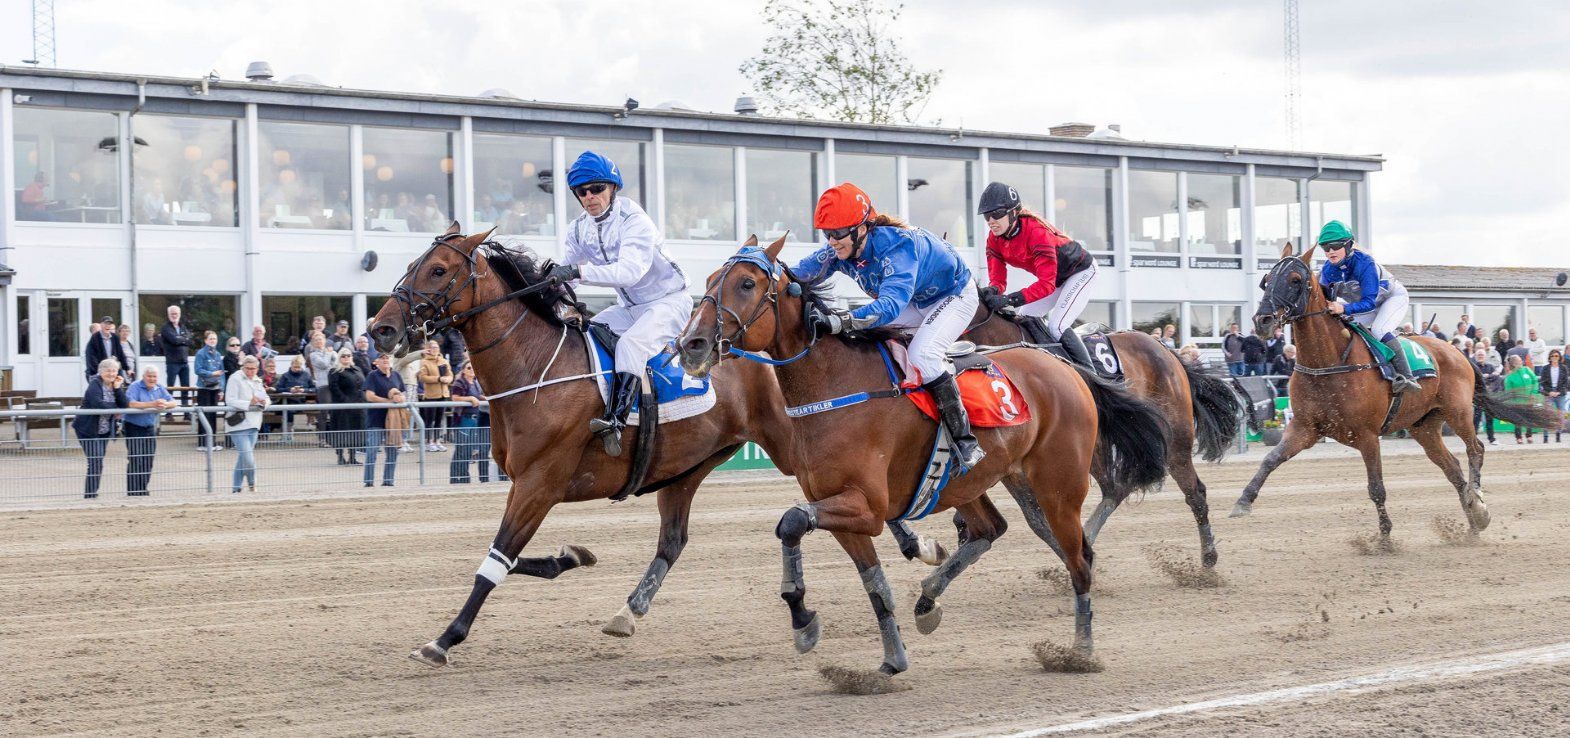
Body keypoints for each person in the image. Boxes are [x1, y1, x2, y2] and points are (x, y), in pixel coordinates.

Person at [790, 182, 984, 471]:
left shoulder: (898, 248)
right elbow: (796, 274)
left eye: (837, 233)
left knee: (923, 356)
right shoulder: (840, 249)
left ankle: (966, 441)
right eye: (827, 234)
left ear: (861, 229)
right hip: (916, 299)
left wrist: (841, 319)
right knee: (863, 336)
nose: (831, 241)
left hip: (954, 296)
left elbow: (890, 306)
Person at [541, 150, 690, 457]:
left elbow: (629, 272)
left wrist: (577, 272)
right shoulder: (578, 228)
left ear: (612, 188)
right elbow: (567, 276)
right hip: (630, 308)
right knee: (587, 334)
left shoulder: (635, 220)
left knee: (631, 345)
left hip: (668, 301)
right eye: (582, 192)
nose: (589, 196)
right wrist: (548, 288)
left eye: (596, 188)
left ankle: (616, 420)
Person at [972, 181, 1098, 367]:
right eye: (986, 216)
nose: (991, 221)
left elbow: (1046, 284)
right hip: (1055, 280)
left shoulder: (1036, 232)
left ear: (1013, 212)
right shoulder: (993, 240)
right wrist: (993, 290)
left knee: (1057, 326)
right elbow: (998, 280)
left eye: (996, 214)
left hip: (1081, 273)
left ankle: (1091, 377)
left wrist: (1010, 300)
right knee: (1025, 320)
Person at [1316, 220, 1419, 393]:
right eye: (1326, 248)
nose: (1331, 251)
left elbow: (1370, 302)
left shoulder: (1365, 263)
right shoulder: (1327, 271)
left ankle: (1407, 377)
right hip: (1367, 304)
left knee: (1379, 330)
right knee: (1342, 326)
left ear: (1348, 245)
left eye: (1335, 246)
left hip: (1391, 298)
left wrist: (1344, 308)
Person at [72, 359, 128, 499]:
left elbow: (124, 404)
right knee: (95, 461)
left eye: (114, 370)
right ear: (101, 371)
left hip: (103, 430)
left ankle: (92, 493)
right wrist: (115, 409)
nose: (111, 373)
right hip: (87, 430)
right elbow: (98, 403)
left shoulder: (115, 385)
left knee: (98, 462)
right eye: (108, 370)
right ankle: (90, 495)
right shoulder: (95, 384)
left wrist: (117, 388)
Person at [124, 365, 177, 496]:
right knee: (136, 459)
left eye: (154, 376)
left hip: (149, 427)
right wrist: (152, 404)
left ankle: (143, 489)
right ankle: (133, 492)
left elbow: (173, 402)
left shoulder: (159, 387)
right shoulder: (135, 386)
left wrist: (165, 404)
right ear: (143, 376)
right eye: (149, 376)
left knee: (148, 460)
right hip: (133, 426)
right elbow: (131, 403)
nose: (152, 379)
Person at [225, 355, 271, 493]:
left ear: (257, 368)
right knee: (248, 458)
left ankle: (236, 488)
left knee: (243, 457)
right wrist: (248, 403)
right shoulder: (235, 378)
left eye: (253, 369)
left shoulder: (257, 380)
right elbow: (230, 400)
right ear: (242, 367)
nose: (250, 371)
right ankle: (252, 483)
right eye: (248, 368)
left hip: (254, 423)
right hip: (239, 424)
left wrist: (265, 403)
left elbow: (266, 398)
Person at [363, 353, 406, 487]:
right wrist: (388, 401)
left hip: (394, 421)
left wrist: (400, 399)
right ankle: (369, 481)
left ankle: (388, 481)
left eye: (387, 358)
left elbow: (404, 394)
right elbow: (369, 396)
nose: (385, 360)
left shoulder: (397, 375)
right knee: (372, 451)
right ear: (377, 361)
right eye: (382, 358)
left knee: (393, 451)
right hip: (376, 419)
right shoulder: (372, 376)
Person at [449, 362, 488, 483]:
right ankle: (456, 478)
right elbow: (455, 398)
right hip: (463, 419)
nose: (471, 370)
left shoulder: (475, 383)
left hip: (473, 419)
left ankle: (464, 478)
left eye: (473, 367)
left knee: (468, 450)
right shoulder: (460, 382)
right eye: (469, 368)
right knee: (461, 449)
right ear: (464, 370)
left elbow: (478, 396)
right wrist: (470, 399)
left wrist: (484, 399)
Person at [328, 348, 366, 466]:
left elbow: (362, 384)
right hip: (342, 408)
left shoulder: (357, 369)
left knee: (356, 431)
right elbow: (334, 388)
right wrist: (345, 400)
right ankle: (340, 456)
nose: (346, 358)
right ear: (339, 357)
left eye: (348, 355)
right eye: (343, 356)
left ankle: (353, 457)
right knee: (342, 431)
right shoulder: (334, 371)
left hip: (359, 406)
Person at [417, 339, 454, 451]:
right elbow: (422, 377)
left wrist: (447, 379)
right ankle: (428, 441)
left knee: (439, 419)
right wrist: (438, 379)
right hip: (431, 396)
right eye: (432, 347)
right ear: (428, 349)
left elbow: (450, 374)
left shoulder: (443, 361)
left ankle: (437, 440)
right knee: (430, 420)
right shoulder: (424, 362)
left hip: (443, 394)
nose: (435, 349)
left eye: (437, 347)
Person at [194, 331, 225, 450]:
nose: (213, 341)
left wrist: (221, 389)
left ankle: (212, 442)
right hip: (204, 388)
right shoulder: (201, 353)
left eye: (215, 339)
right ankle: (202, 443)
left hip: (215, 388)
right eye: (211, 339)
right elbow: (197, 370)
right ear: (206, 340)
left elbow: (221, 373)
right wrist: (211, 373)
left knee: (213, 414)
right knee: (204, 414)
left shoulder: (217, 354)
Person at [306, 331, 336, 444]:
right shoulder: (313, 355)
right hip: (323, 385)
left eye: (321, 339)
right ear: (313, 343)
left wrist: (330, 355)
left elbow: (336, 361)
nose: (319, 341)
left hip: (333, 384)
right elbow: (323, 364)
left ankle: (333, 437)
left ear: (325, 341)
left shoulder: (329, 352)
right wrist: (329, 354)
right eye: (316, 340)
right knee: (324, 412)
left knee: (334, 411)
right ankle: (322, 438)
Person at [1503, 355, 1540, 443]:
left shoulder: (1527, 370)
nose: (1521, 361)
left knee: (1529, 418)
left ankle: (1529, 435)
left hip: (1530, 400)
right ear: (1514, 363)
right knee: (1518, 420)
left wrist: (1533, 393)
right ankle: (1518, 437)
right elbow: (1509, 392)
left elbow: (1535, 380)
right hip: (1517, 403)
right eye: (1519, 360)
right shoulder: (1510, 377)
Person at [84, 316, 130, 380]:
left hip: (112, 373)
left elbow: (121, 354)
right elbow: (91, 357)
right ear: (101, 325)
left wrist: (127, 368)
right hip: (99, 373)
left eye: (109, 324)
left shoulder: (115, 338)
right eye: (105, 324)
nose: (107, 326)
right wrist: (98, 371)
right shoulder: (95, 337)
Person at [159, 305, 193, 388]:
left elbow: (190, 340)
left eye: (176, 314)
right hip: (172, 363)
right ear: (168, 315)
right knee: (170, 387)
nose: (174, 316)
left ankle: (184, 402)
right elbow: (174, 340)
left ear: (180, 314)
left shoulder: (183, 327)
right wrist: (183, 339)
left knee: (185, 388)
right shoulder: (165, 328)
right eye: (172, 314)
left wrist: (180, 339)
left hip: (184, 362)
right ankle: (169, 401)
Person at [1472, 347, 1500, 446]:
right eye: (1479, 355)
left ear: (1485, 357)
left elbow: (1496, 378)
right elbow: (1476, 380)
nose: (1480, 357)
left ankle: (1491, 439)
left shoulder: (1490, 366)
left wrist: (1486, 377)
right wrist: (1487, 377)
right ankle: (1473, 439)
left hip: (1488, 397)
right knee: (1476, 419)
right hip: (1478, 397)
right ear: (1475, 357)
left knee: (1489, 419)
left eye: (1482, 355)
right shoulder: (1474, 367)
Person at [1538, 349, 1568, 443]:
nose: (1554, 358)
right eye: (1553, 356)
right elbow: (1543, 381)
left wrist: (1558, 392)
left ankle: (1558, 435)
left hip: (1560, 394)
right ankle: (1545, 437)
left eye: (1556, 356)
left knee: (1560, 415)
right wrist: (1549, 392)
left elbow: (1565, 383)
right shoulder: (1545, 368)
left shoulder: (1563, 368)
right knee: (1547, 415)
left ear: (1559, 357)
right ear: (1550, 357)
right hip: (1548, 393)